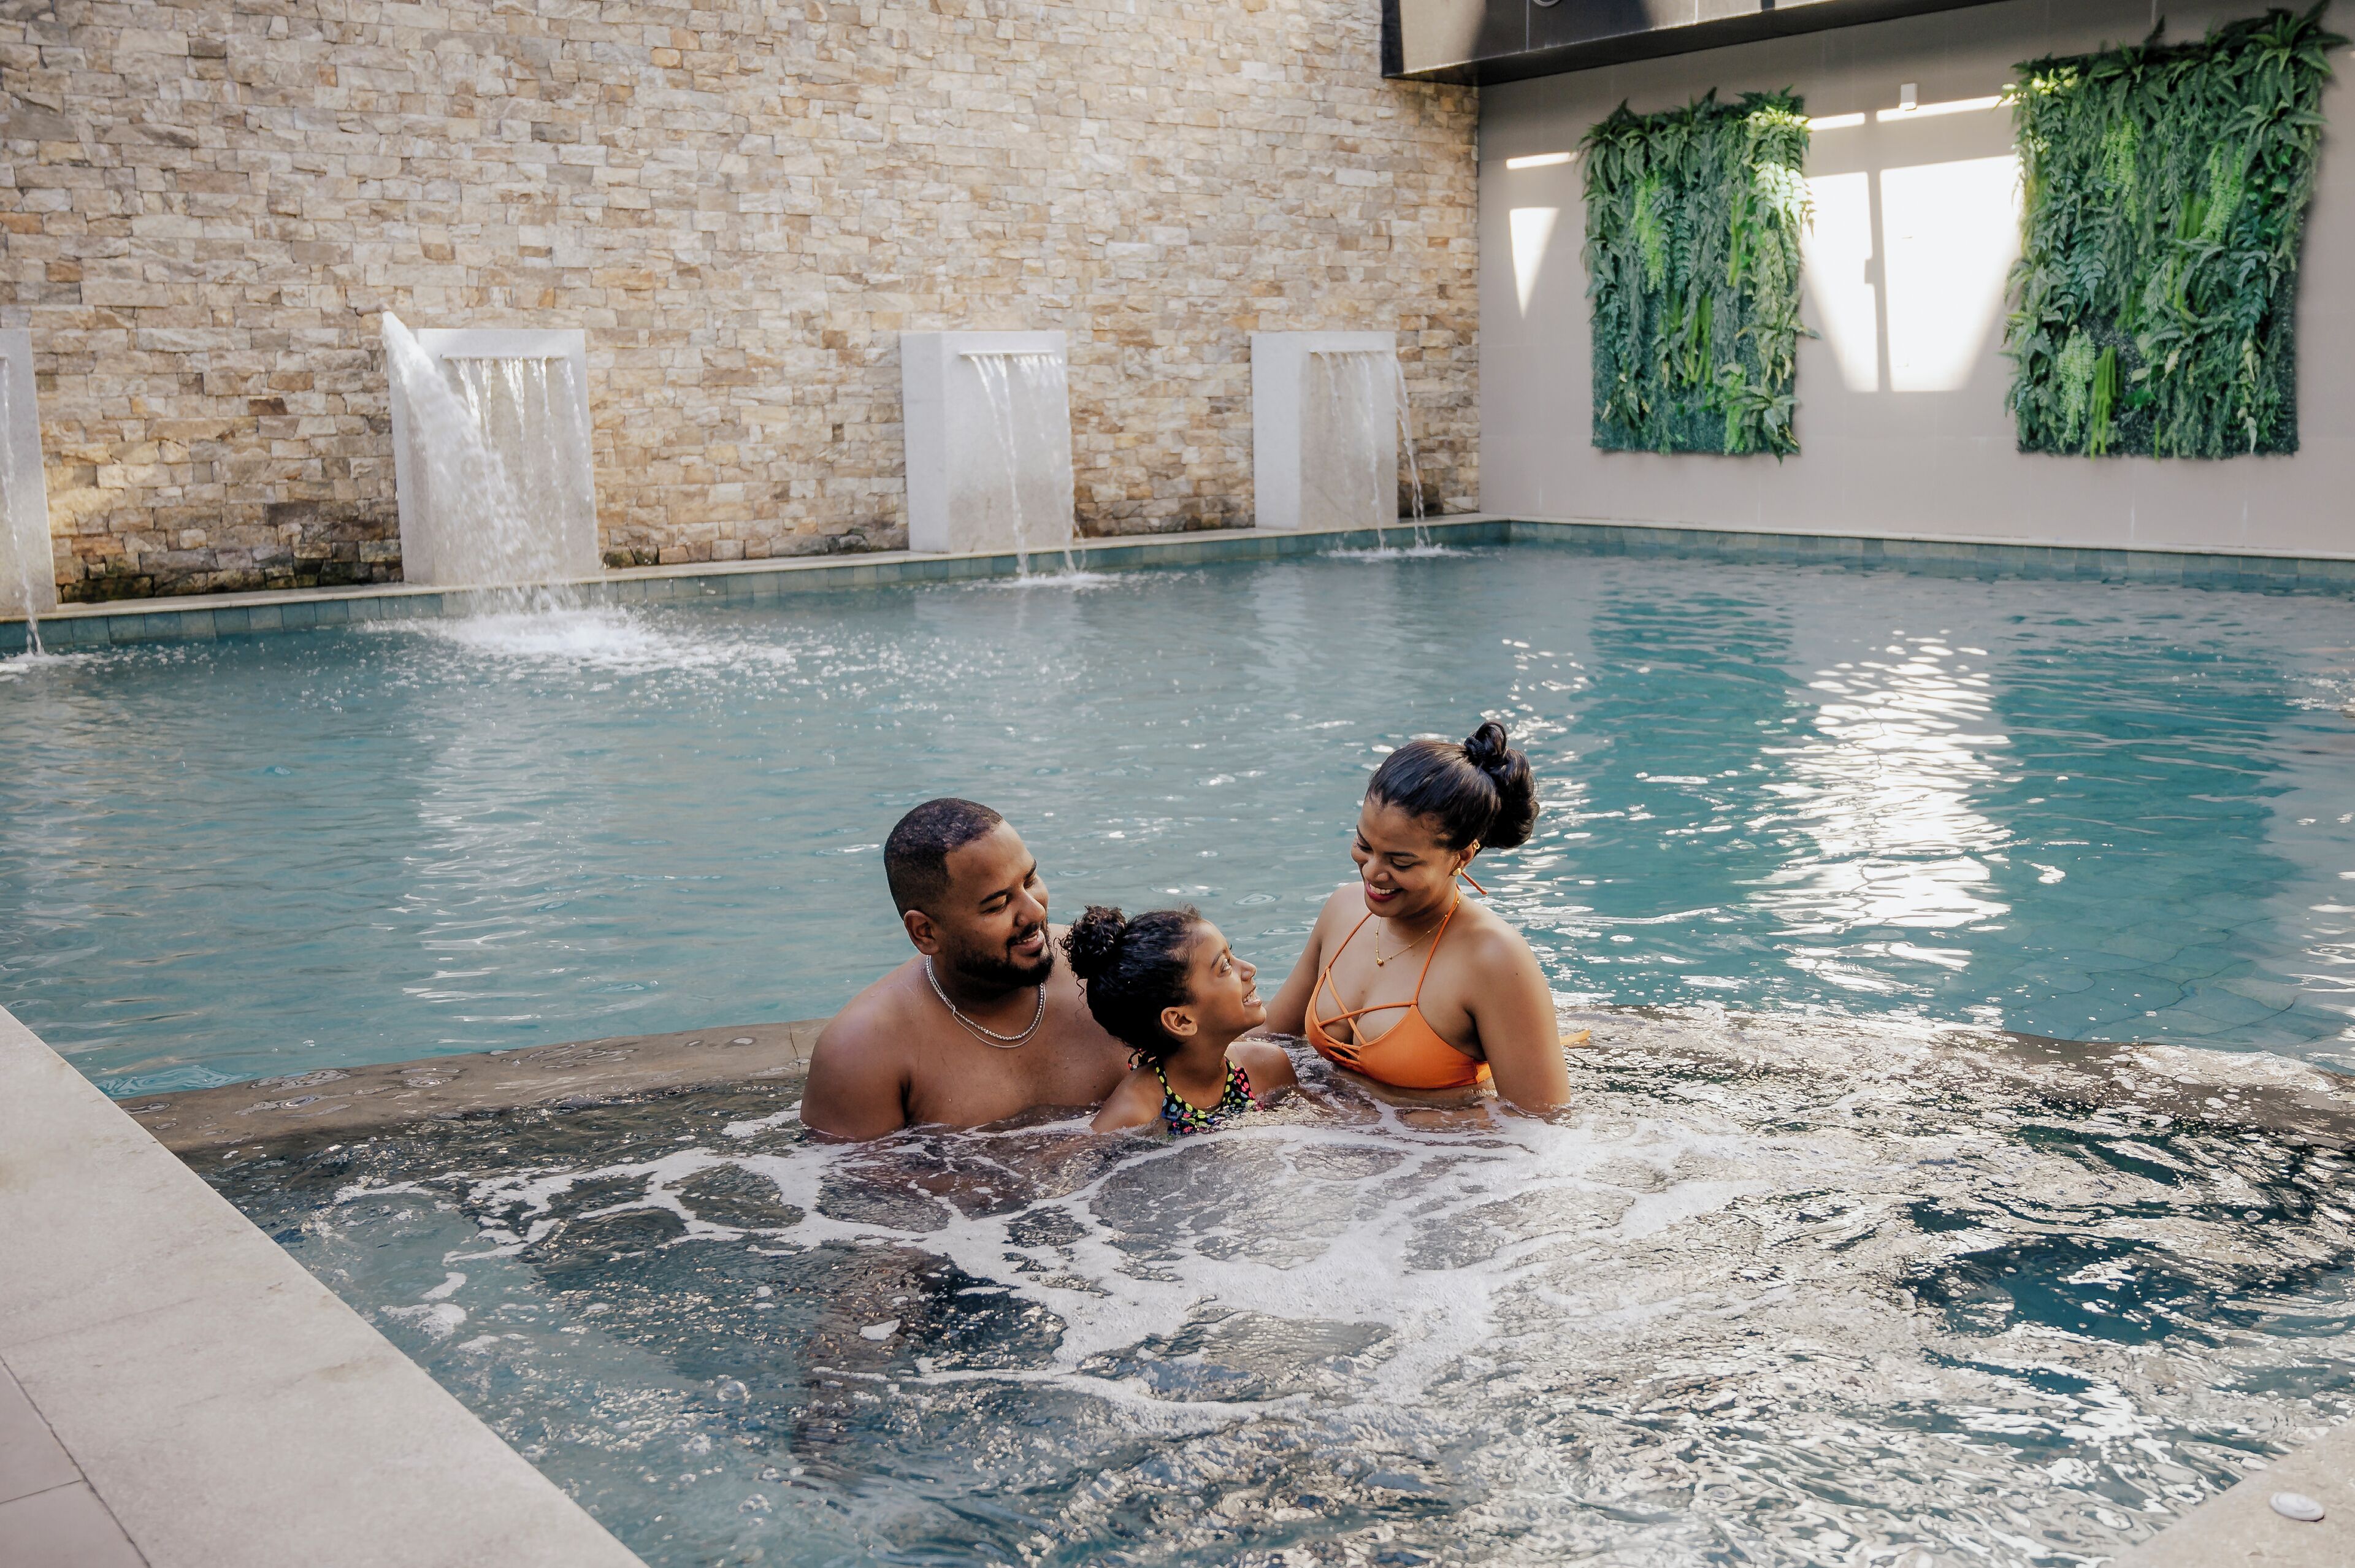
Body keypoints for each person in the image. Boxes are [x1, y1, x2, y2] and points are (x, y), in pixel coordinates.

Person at [1259, 720, 1574, 1112]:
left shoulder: (1494, 958)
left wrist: (1417, 1133)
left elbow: (1542, 1122)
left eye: (1401, 861)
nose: (1373, 872)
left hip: (1429, 1164)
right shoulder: (1344, 909)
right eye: (1364, 845)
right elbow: (1273, 1035)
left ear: (1462, 856)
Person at [801, 798, 1132, 1138]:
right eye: (998, 904)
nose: (1034, 913)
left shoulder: (1105, 966)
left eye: (1030, 881)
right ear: (925, 932)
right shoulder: (862, 1051)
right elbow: (859, 1186)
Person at [1065, 906, 1299, 1135]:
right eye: (1225, 966)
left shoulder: (1269, 1067)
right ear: (1181, 1021)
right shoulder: (1136, 1110)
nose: (1249, 969)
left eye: (1232, 954)